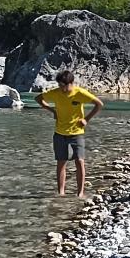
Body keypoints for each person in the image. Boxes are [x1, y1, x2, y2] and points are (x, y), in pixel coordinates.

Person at [35, 69, 104, 197]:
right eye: (59, 85)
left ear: (70, 83)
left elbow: (99, 104)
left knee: (79, 161)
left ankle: (80, 193)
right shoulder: (55, 93)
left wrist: (86, 119)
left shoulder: (80, 93)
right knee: (61, 162)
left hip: (77, 133)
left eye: (63, 85)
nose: (61, 88)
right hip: (59, 133)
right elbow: (38, 98)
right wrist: (52, 111)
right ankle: (61, 193)